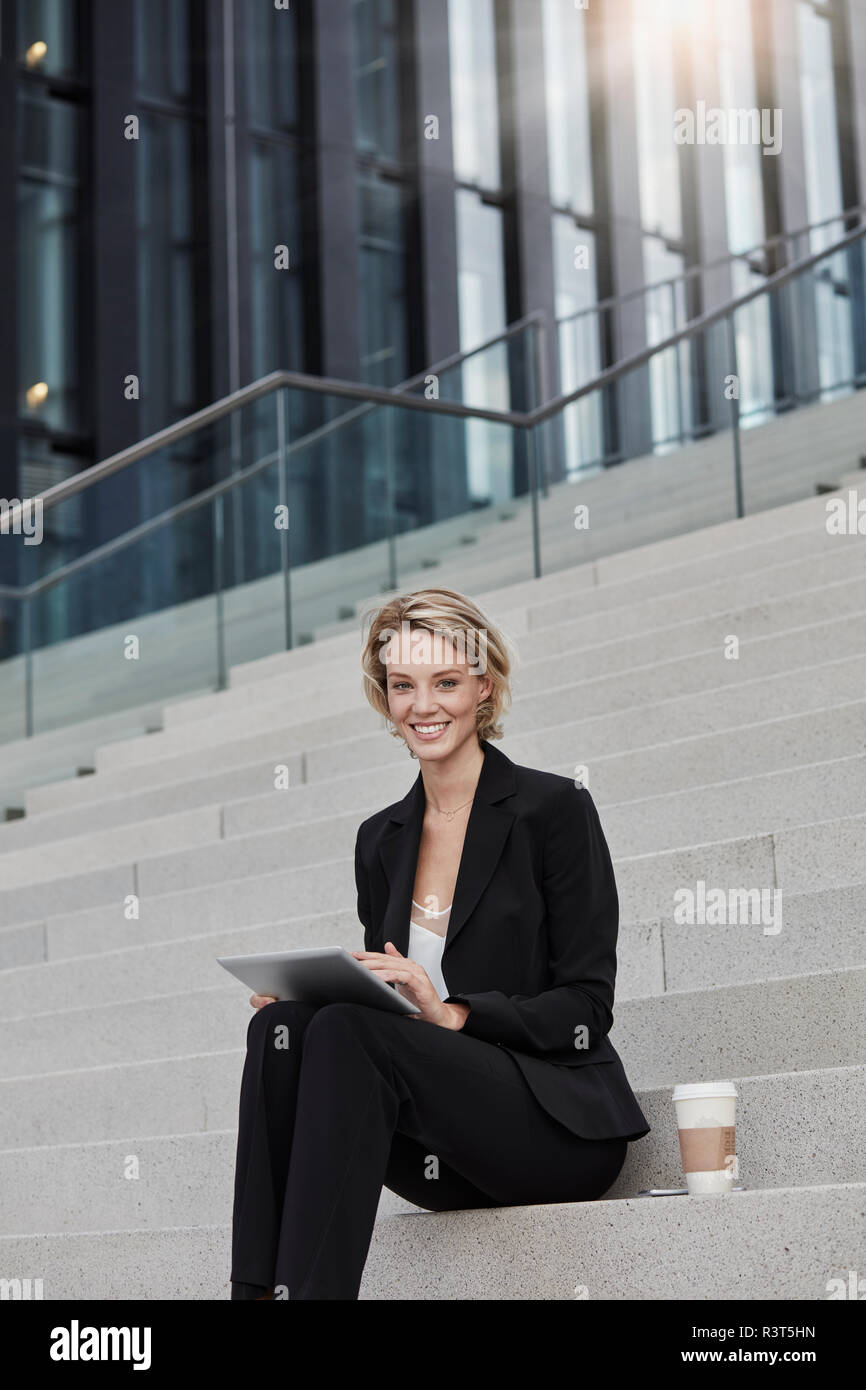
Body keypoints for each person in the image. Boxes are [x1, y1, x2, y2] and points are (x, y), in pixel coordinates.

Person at [230, 588, 650, 1300]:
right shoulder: (381, 840)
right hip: (445, 1151)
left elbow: (586, 1006)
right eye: (403, 686)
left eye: (446, 682)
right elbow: (388, 1013)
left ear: (484, 687)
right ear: (384, 697)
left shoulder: (553, 810)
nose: (424, 706)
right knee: (285, 1027)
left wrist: (455, 1013)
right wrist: (317, 998)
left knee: (348, 1032)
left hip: (553, 1129)